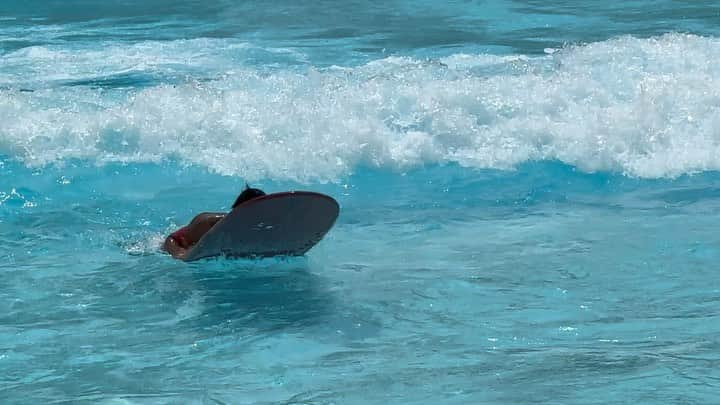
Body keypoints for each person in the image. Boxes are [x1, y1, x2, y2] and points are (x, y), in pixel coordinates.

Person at [164, 187, 266, 259]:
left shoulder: (260, 225)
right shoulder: (208, 222)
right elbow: (174, 239)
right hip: (178, 244)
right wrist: (179, 254)